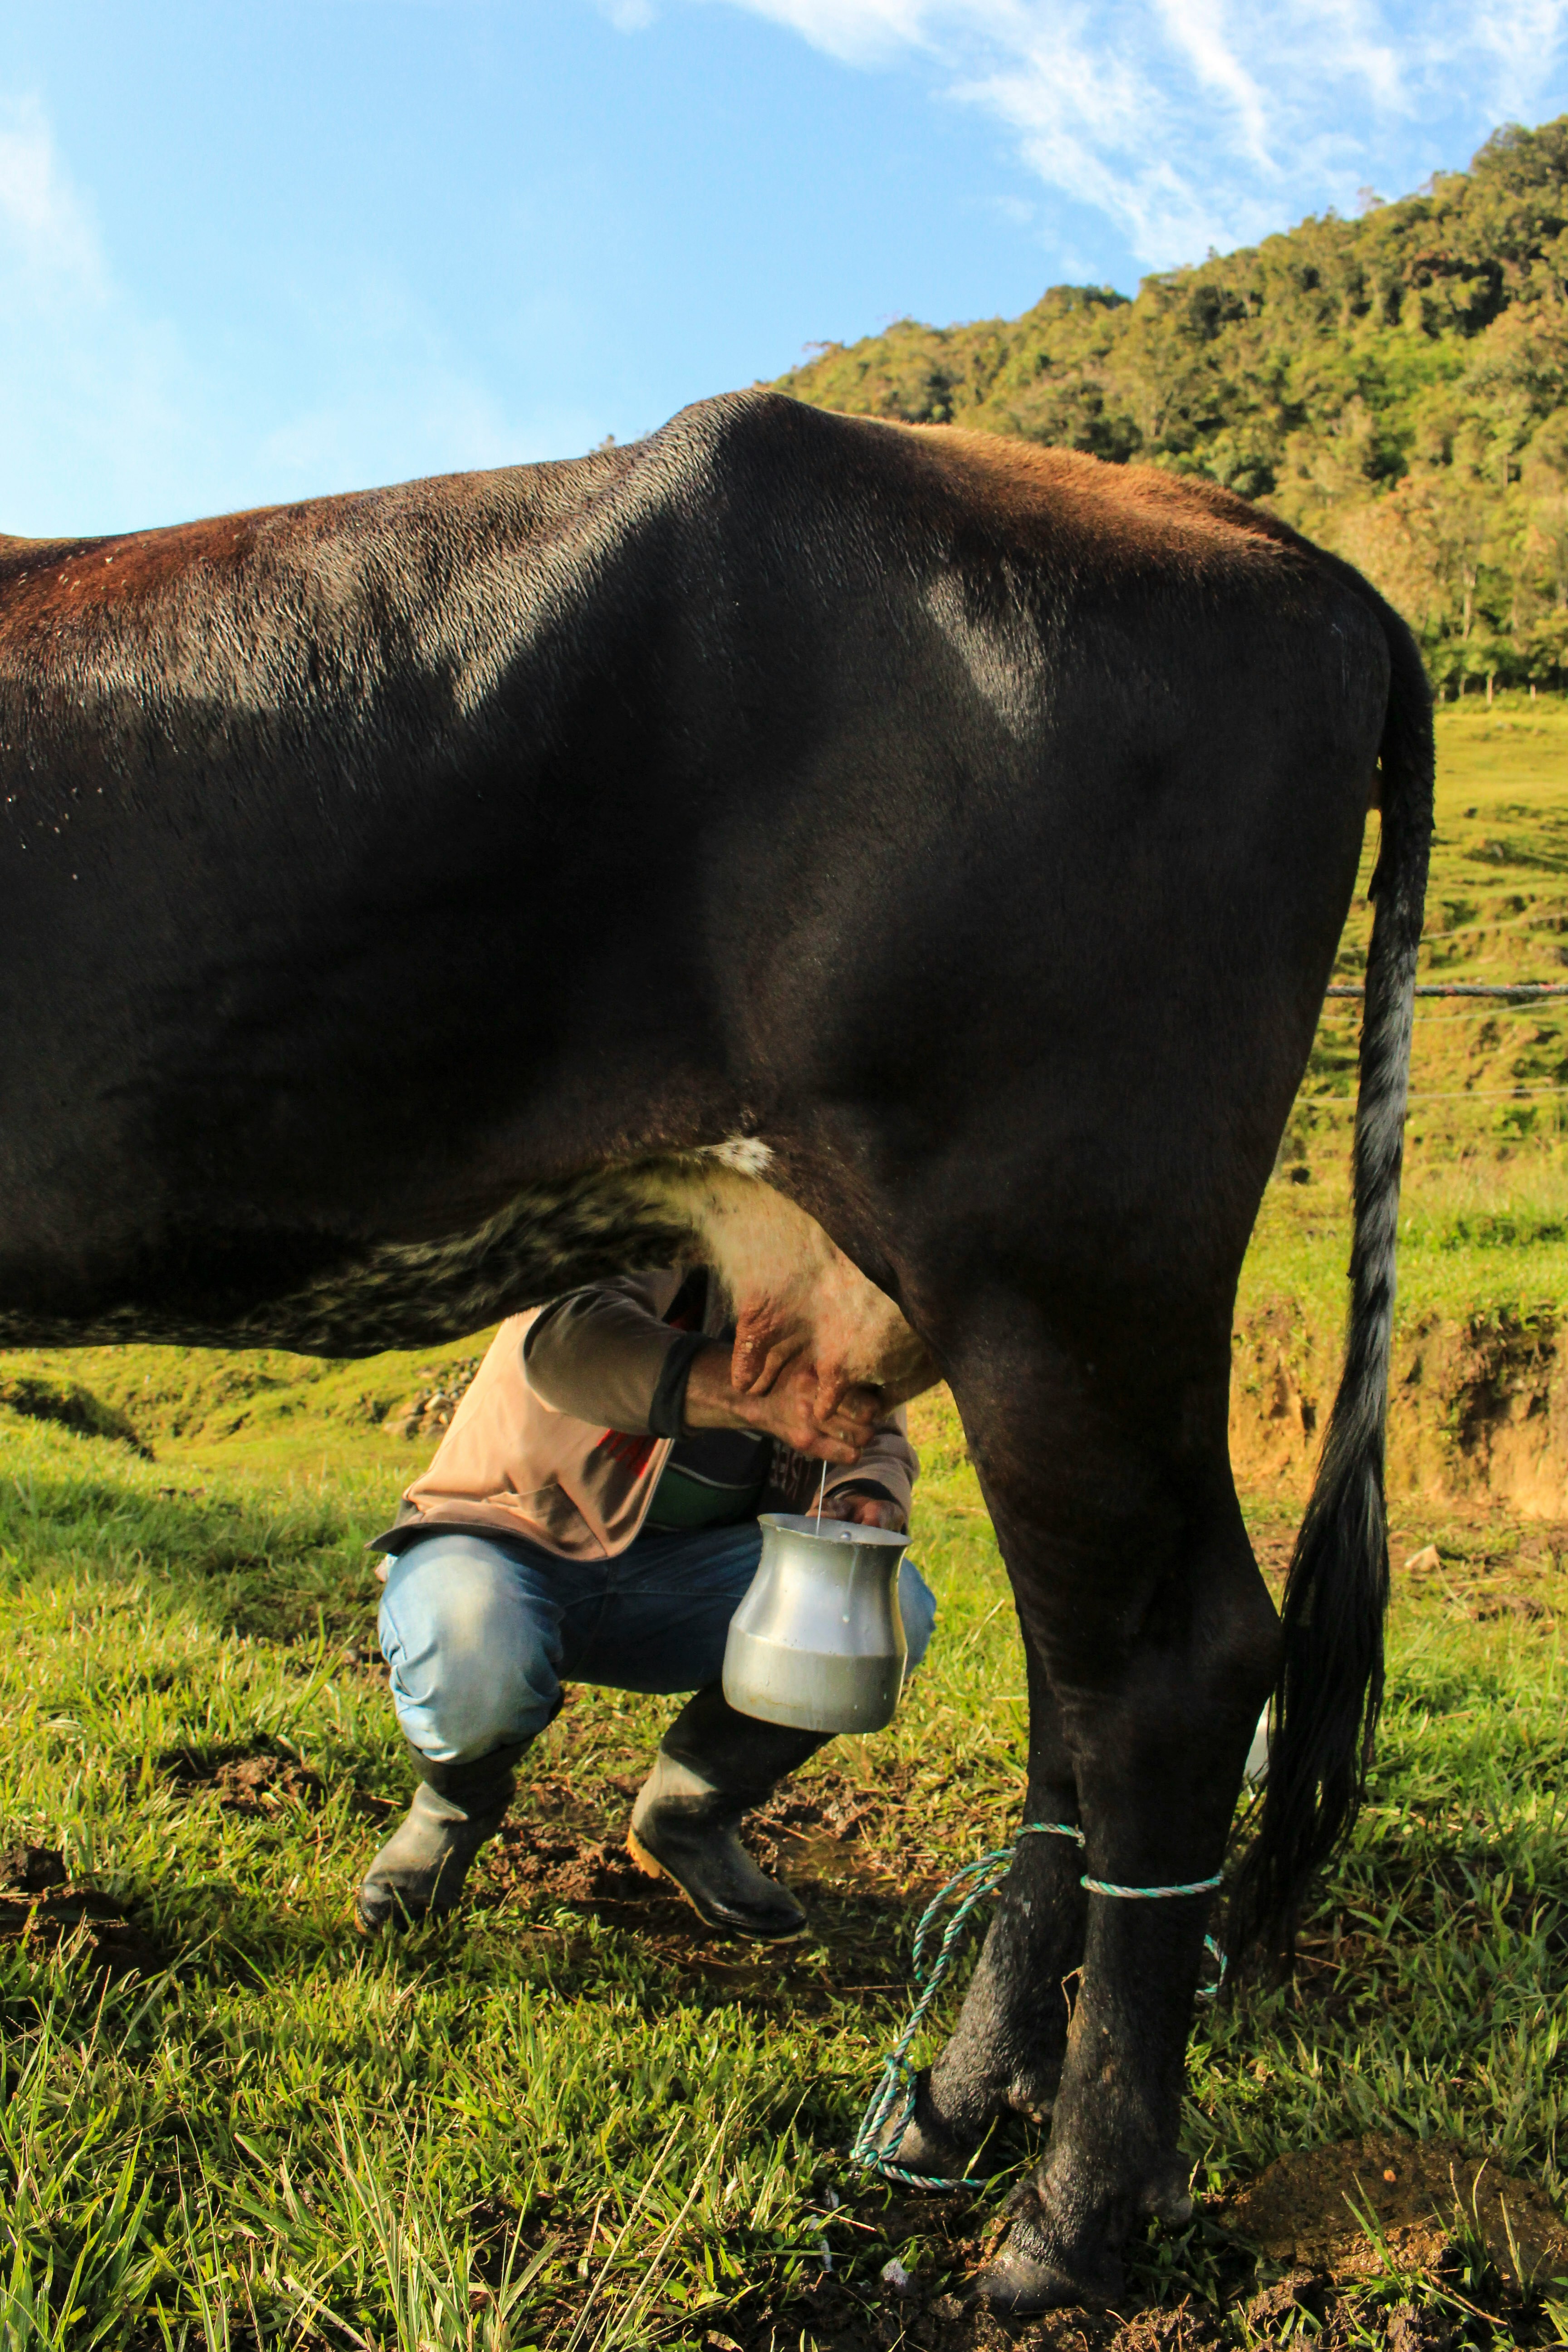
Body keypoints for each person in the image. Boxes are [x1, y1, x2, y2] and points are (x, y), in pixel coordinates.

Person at [358, 1267, 933, 1940]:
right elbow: (568, 1338)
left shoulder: (828, 1275)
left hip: (688, 1583)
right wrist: (745, 1393)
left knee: (880, 1602)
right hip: (508, 1537)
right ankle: (452, 1811)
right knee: (469, 1631)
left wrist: (868, 1487)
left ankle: (688, 1814)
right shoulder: (654, 1206)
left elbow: (874, 1422)